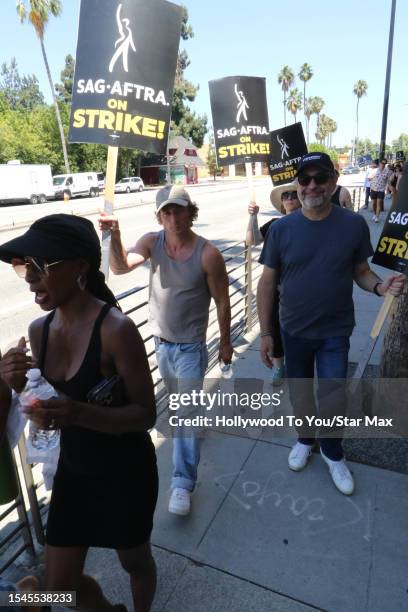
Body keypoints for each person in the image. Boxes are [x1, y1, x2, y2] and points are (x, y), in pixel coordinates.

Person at [0, 214, 158, 612]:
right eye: (25, 267)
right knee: (58, 589)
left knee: (134, 562)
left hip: (125, 472)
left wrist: (77, 414)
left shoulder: (116, 330)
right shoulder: (39, 330)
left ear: (80, 267)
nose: (31, 277)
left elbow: (145, 414)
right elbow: (41, 400)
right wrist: (14, 383)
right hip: (75, 469)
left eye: (41, 266)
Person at [257, 152, 404, 496]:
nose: (311, 186)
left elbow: (361, 272)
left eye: (319, 178)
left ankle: (333, 452)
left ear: (333, 181)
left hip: (335, 331)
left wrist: (381, 287)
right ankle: (306, 440)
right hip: (293, 330)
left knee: (334, 394)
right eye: (304, 180)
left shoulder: (352, 224)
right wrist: (266, 333)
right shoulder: (281, 229)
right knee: (301, 393)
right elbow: (266, 284)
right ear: (297, 184)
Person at [99, 185, 233, 516]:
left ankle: (182, 484)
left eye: (178, 209)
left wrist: (227, 341)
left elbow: (222, 300)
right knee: (179, 404)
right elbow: (119, 267)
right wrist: (114, 235)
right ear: (159, 216)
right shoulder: (151, 241)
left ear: (191, 211)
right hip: (160, 343)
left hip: (190, 347)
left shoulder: (208, 254)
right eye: (166, 212)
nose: (172, 217)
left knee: (184, 413)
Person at [246, 182, 301, 385]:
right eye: (285, 195)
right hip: (275, 288)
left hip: (299, 289)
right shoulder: (274, 224)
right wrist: (253, 215)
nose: (289, 198)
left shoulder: (311, 224)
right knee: (274, 328)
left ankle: (297, 366)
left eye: (293, 194)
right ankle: (279, 368)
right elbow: (251, 240)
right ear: (281, 202)